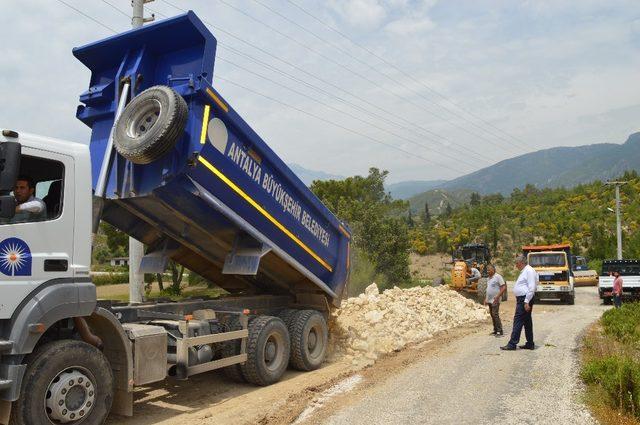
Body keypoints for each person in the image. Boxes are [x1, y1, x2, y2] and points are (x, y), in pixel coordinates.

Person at [501, 254, 538, 351]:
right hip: (524, 298)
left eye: (516, 263)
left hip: (524, 299)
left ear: (521, 263)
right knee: (527, 322)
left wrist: (526, 301)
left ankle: (512, 344)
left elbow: (532, 287)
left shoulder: (529, 270)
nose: (516, 266)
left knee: (518, 320)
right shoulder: (526, 271)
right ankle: (530, 343)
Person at [485, 264, 507, 336]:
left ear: (493, 270)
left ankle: (500, 331)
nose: (488, 271)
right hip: (490, 300)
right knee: (492, 314)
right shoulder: (488, 278)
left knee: (495, 314)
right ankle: (495, 330)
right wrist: (486, 299)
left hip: (496, 299)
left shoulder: (498, 277)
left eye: (489, 270)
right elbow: (488, 289)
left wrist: (497, 296)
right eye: (487, 270)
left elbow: (503, 287)